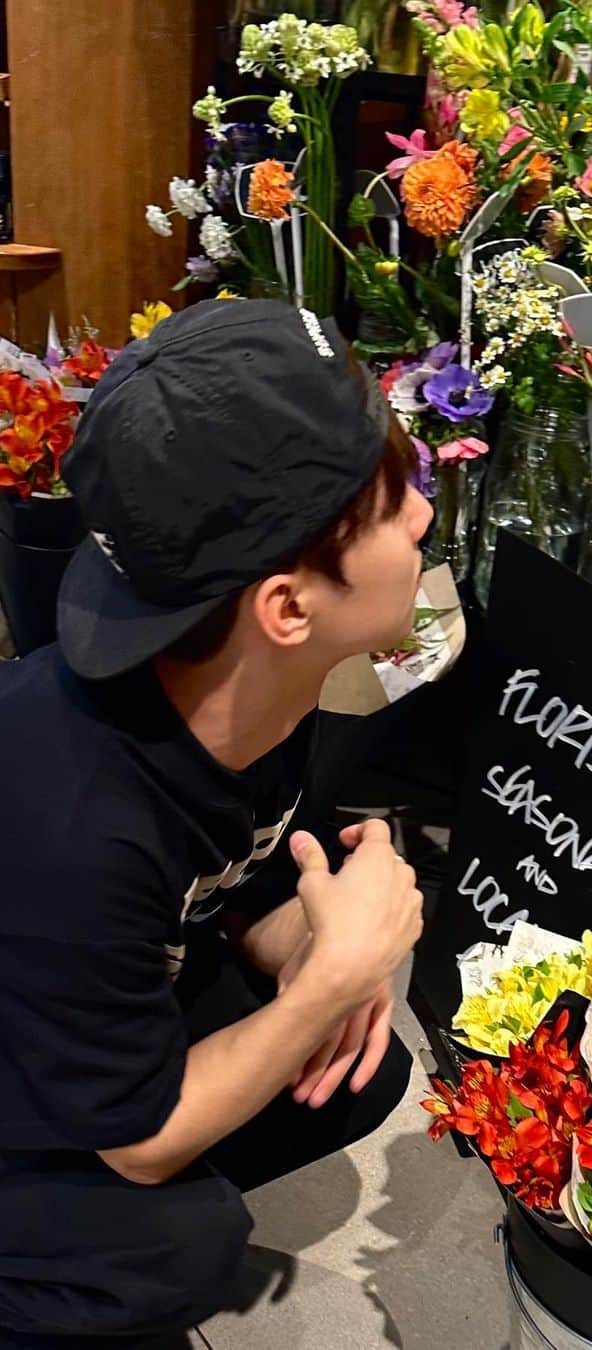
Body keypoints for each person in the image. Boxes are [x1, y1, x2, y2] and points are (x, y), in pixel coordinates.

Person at [0, 299, 433, 1346]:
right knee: (172, 1248)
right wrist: (334, 972)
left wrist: (325, 946)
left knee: (356, 1067)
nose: (421, 516)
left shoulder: (245, 682)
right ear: (287, 606)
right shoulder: (72, 814)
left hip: (82, 989)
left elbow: (242, 881)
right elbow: (144, 1142)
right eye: (387, 506)